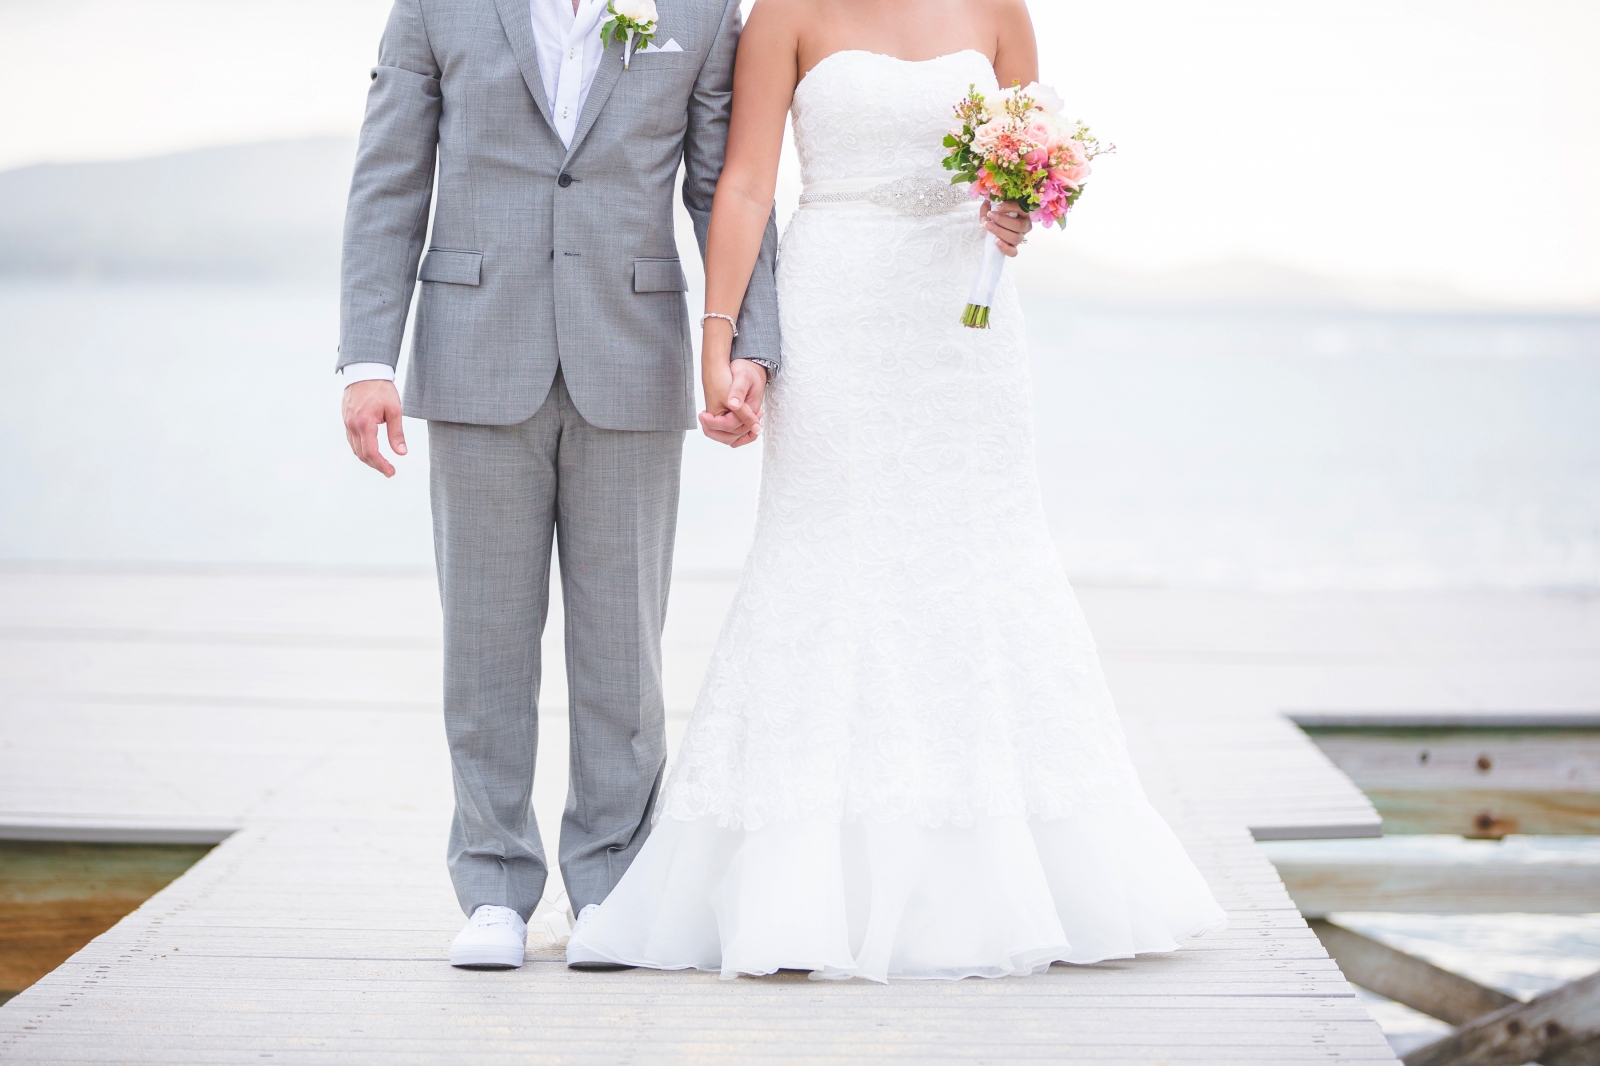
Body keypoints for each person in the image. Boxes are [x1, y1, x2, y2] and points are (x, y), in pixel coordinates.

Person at [563, 0, 1228, 979]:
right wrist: (722, 339)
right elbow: (744, 186)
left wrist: (1017, 210)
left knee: (978, 554)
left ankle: (995, 875)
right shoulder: (783, 13)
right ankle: (803, 879)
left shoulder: (997, 10)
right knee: (824, 553)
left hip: (962, 326)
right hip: (835, 309)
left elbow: (1028, 171)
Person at [338, 0, 783, 969]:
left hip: (629, 351)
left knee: (624, 652)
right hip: (472, 352)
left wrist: (750, 341)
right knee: (485, 643)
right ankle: (493, 882)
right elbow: (389, 175)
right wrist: (366, 358)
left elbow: (721, 188)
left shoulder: (702, 13)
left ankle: (610, 884)